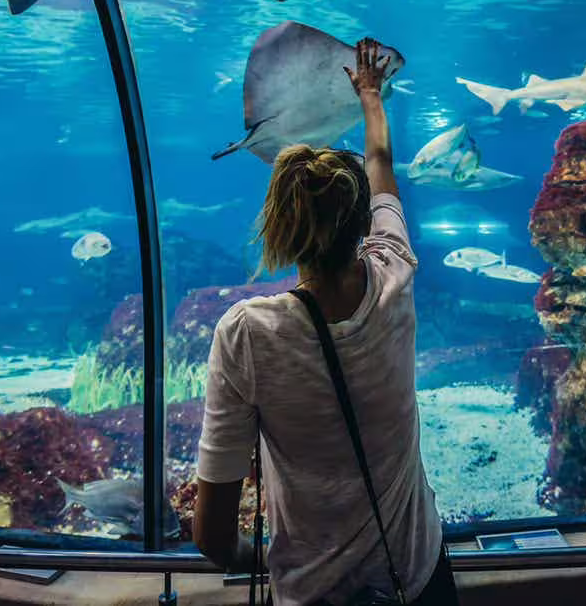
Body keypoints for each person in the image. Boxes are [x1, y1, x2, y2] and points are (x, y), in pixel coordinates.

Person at [194, 37, 458, 606]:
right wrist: (370, 95)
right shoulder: (394, 275)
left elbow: (211, 532)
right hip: (415, 576)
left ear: (280, 228)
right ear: (365, 219)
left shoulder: (246, 333)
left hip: (314, 591)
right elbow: (382, 165)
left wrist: (258, 559)